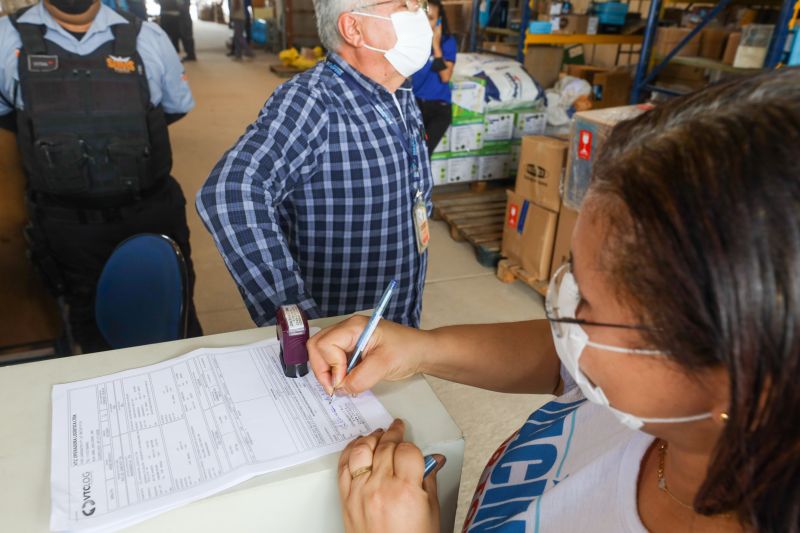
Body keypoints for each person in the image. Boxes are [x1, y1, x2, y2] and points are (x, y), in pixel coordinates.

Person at [308, 68, 800, 532]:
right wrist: (421, 349)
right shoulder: (659, 400)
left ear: (743, 381)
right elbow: (560, 360)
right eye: (572, 272)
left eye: (589, 306)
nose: (563, 311)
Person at [197, 0, 435, 328]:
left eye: (417, 4)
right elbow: (230, 191)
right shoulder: (314, 101)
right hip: (340, 347)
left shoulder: (399, 92)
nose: (421, 15)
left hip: (398, 322)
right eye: (403, 6)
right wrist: (299, 320)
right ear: (353, 28)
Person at [0, 0, 202, 353]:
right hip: (68, 229)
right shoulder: (6, 38)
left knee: (174, 321)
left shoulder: (147, 37)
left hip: (149, 216)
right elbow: (7, 117)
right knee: (90, 332)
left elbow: (174, 107)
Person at [411, 0, 455, 154]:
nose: (425, 21)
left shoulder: (447, 43)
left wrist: (436, 46)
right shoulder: (411, 42)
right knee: (412, 152)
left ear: (439, 21)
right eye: (422, 16)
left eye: (430, 18)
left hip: (439, 110)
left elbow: (445, 77)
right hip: (415, 107)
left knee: (424, 152)